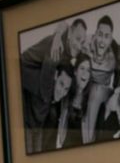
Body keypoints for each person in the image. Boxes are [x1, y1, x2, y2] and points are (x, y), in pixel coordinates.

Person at [20, 18, 87, 153]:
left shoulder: (67, 49)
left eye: (82, 42)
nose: (79, 45)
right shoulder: (57, 49)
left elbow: (65, 24)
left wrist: (58, 32)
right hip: (23, 70)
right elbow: (46, 92)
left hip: (34, 83)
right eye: (77, 39)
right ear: (69, 35)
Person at [84, 15, 118, 143]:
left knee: (96, 90)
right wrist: (59, 34)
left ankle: (90, 143)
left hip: (102, 91)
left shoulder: (115, 54)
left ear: (111, 39)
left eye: (106, 36)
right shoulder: (86, 43)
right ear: (95, 33)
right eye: (100, 34)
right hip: (86, 87)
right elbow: (66, 26)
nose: (102, 40)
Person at [58, 53, 93, 148]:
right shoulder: (66, 92)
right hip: (65, 148)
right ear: (75, 71)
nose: (85, 73)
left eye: (88, 70)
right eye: (82, 68)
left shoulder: (92, 98)